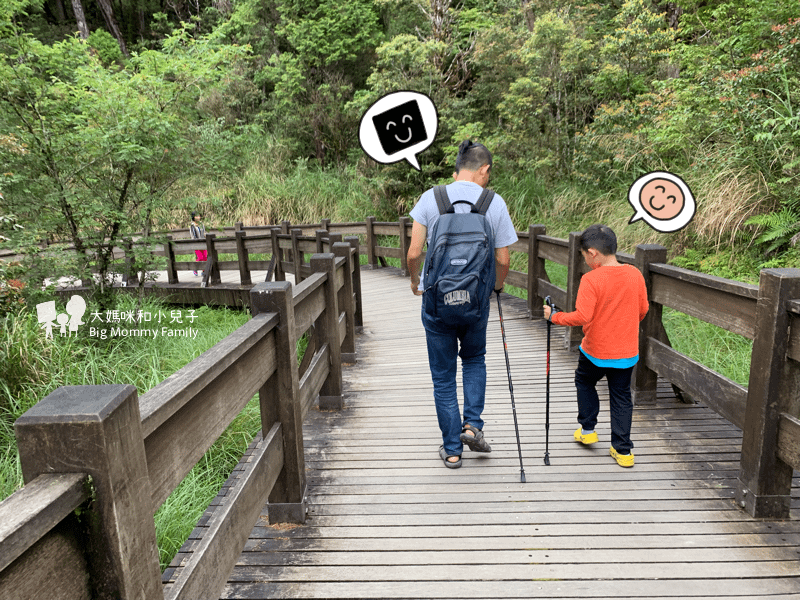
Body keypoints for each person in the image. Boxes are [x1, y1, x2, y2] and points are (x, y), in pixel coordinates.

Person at [407, 140, 518, 468]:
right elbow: (503, 259)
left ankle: (452, 449)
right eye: (489, 173)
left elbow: (414, 253)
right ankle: (473, 424)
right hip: (476, 302)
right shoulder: (493, 202)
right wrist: (494, 287)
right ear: (483, 170)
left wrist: (416, 282)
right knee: (473, 359)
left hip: (437, 302)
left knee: (443, 376)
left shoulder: (432, 198)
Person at [543, 224, 648, 467]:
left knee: (584, 381)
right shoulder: (634, 274)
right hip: (626, 352)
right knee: (621, 396)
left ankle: (588, 429)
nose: (585, 261)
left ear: (592, 253)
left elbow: (582, 316)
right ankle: (623, 451)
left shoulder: (591, 279)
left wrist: (554, 317)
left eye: (583, 256)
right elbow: (642, 310)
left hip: (595, 351)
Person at [189, 211, 207, 276]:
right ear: (193, 217)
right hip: (196, 244)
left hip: (203, 243)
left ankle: (204, 271)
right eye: (196, 216)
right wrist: (196, 242)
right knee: (200, 257)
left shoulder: (202, 224)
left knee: (205, 257)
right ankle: (195, 268)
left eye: (199, 216)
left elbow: (204, 233)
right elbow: (193, 235)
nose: (198, 217)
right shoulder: (192, 226)